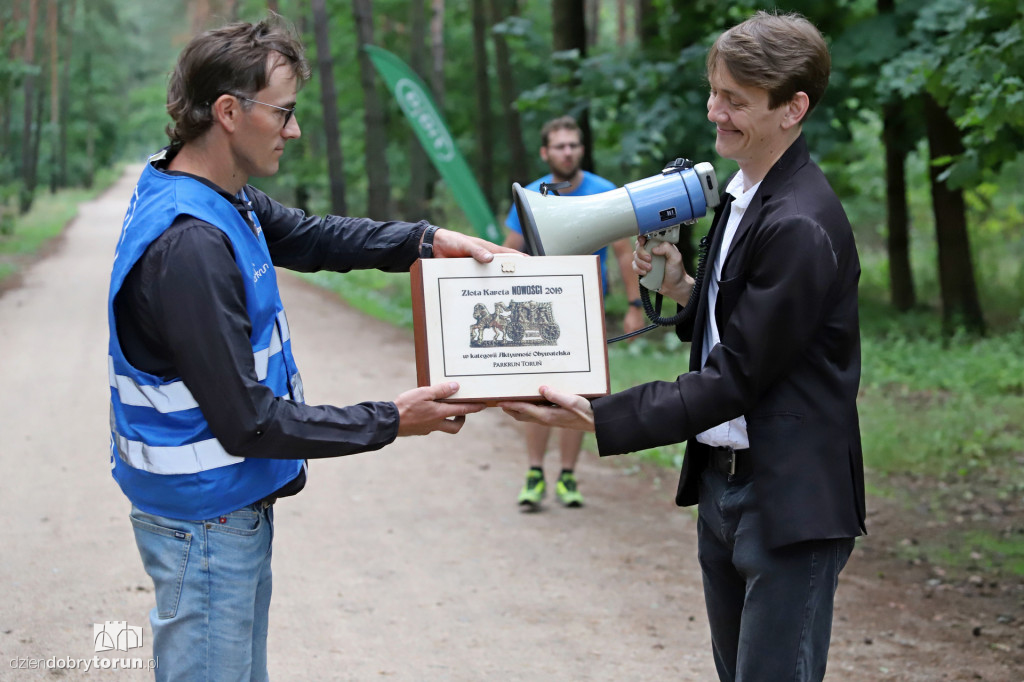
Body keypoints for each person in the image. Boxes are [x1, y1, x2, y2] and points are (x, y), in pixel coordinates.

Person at [106, 16, 511, 681]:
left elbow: (314, 237)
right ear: (229, 112)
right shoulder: (192, 246)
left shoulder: (210, 195)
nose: (294, 131)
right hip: (207, 520)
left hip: (214, 512)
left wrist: (427, 241)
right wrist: (392, 420)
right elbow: (250, 421)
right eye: (284, 112)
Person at [501, 12, 865, 681]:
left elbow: (736, 376)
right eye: (714, 91)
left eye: (736, 100)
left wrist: (597, 413)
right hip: (726, 489)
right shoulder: (744, 195)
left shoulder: (801, 224)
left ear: (794, 109)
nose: (714, 111)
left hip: (787, 499)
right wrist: (686, 288)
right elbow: (748, 324)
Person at [503, 115, 644, 510]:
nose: (568, 152)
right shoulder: (531, 194)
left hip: (585, 312)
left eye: (574, 145)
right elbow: (508, 250)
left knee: (578, 396)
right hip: (535, 312)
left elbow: (622, 252)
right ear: (546, 152)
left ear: (581, 149)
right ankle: (534, 473)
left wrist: (635, 307)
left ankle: (567, 475)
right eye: (560, 146)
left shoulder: (604, 193)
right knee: (535, 393)